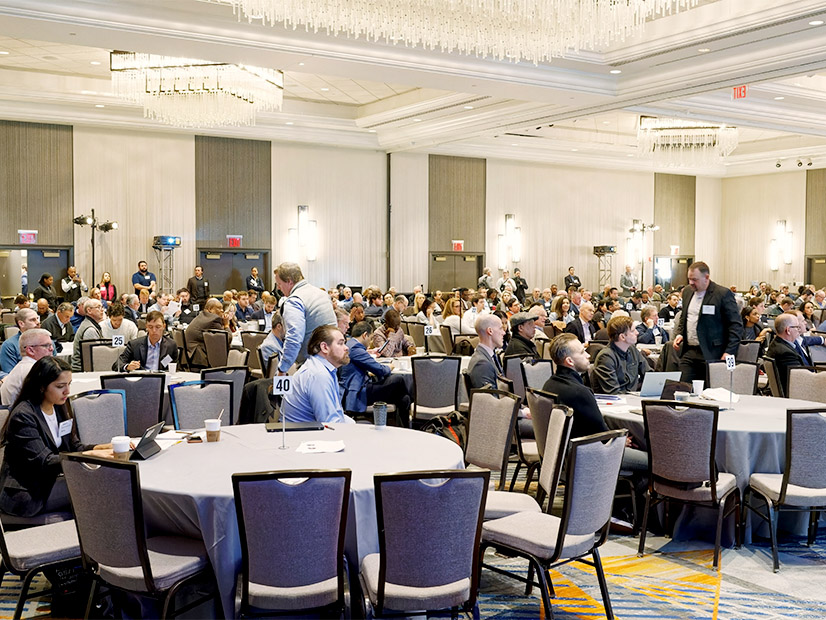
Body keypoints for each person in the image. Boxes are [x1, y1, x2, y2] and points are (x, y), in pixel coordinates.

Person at [0, 357, 112, 518]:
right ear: (41, 386)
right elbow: (45, 462)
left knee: (102, 483)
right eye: (60, 386)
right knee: (99, 487)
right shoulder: (23, 416)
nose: (67, 391)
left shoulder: (59, 406)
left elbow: (74, 447)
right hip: (26, 493)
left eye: (69, 384)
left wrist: (103, 447)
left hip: (49, 482)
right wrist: (90, 456)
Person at [542, 334, 647, 470]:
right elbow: (604, 435)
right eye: (582, 352)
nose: (588, 355)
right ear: (570, 361)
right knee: (653, 460)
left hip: (561, 454)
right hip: (587, 455)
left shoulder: (549, 384)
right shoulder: (579, 392)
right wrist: (621, 440)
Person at [672, 262, 743, 382]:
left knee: (710, 391)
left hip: (713, 353)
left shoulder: (722, 294)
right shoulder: (687, 292)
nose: (691, 282)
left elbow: (736, 325)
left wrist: (729, 351)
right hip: (690, 351)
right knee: (683, 387)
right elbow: (684, 317)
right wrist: (680, 333)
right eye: (689, 279)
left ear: (706, 277)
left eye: (694, 279)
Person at [340, 321, 411, 426]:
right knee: (398, 379)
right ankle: (412, 416)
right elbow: (379, 370)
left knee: (404, 398)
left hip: (361, 386)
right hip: (359, 392)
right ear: (365, 335)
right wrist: (389, 367)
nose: (371, 341)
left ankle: (405, 426)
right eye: (370, 338)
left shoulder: (351, 345)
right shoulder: (355, 348)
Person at [281, 325, 354, 424]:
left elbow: (336, 413)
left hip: (309, 429)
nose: (346, 348)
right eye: (340, 343)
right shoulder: (319, 375)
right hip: (304, 432)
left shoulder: (321, 368)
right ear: (324, 347)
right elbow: (330, 423)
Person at [274, 262, 337, 375]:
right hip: (331, 362)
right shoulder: (322, 294)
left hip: (310, 367)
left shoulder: (294, 301)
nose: (278, 288)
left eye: (279, 283)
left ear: (289, 281)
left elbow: (294, 339)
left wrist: (282, 369)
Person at [592, 316, 647, 394]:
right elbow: (614, 392)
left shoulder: (632, 349)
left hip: (632, 396)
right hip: (617, 399)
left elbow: (648, 373)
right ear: (622, 337)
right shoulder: (606, 357)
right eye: (633, 331)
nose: (637, 333)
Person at [0, 329, 55, 406]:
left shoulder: (23, 366)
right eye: (46, 345)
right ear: (30, 350)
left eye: (51, 345)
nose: (52, 349)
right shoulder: (33, 370)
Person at [184, 298, 228, 367]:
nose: (222, 310)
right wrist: (226, 325)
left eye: (222, 308)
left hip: (191, 354)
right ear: (210, 309)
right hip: (200, 358)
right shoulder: (213, 319)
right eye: (219, 308)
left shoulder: (202, 316)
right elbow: (226, 340)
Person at [467, 314, 505, 389]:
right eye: (500, 328)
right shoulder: (482, 364)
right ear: (490, 331)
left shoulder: (489, 356)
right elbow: (490, 395)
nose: (504, 333)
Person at [0, 308, 41, 375]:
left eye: (37, 318)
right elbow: (10, 375)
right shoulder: (9, 345)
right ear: (21, 324)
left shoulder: (47, 341)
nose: (38, 322)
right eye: (33, 320)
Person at [71, 298, 104, 371]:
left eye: (102, 307)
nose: (102, 310)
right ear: (89, 310)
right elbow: (92, 356)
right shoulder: (90, 330)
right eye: (98, 307)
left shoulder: (89, 324)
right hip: (82, 371)